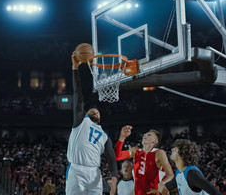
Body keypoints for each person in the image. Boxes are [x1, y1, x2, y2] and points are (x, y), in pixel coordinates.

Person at [66, 53, 119, 195]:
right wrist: (75, 68)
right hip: (77, 171)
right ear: (85, 114)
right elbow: (78, 94)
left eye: (97, 112)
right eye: (92, 111)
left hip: (95, 173)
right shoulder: (80, 121)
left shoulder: (104, 135)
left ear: (100, 118)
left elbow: (111, 158)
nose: (95, 112)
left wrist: (114, 176)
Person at [148, 139, 223, 195]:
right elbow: (168, 187)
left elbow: (216, 193)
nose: (172, 149)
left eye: (175, 149)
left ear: (182, 156)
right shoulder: (179, 172)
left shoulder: (192, 174)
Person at [114, 125, 174, 195]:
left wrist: (162, 184)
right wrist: (122, 137)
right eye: (145, 134)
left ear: (155, 141)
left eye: (149, 134)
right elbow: (117, 156)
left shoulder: (158, 152)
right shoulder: (135, 151)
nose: (145, 135)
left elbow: (170, 174)